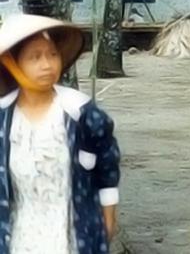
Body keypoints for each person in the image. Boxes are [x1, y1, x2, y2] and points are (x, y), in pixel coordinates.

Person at [0, 13, 121, 254]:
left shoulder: (82, 113)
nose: (47, 64)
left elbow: (107, 169)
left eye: (52, 54)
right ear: (13, 64)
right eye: (35, 57)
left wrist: (108, 219)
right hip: (20, 233)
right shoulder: (3, 118)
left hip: (74, 233)